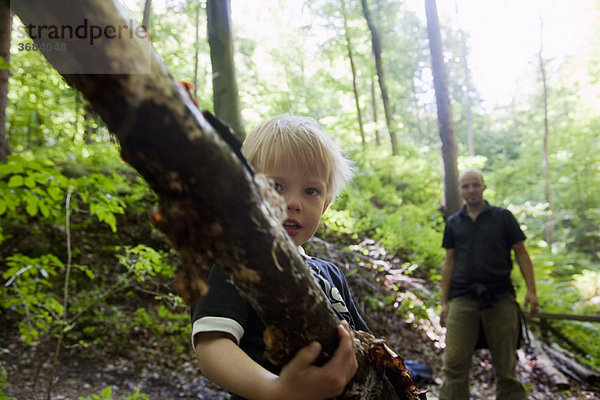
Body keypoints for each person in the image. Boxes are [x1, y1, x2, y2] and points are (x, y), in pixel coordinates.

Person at [190, 115, 369, 400]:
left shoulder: (331, 274)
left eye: (311, 191)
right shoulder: (239, 264)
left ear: (325, 205)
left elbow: (365, 349)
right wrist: (278, 390)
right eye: (276, 186)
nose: (293, 203)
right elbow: (212, 348)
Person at [439, 168, 539, 400]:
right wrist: (444, 302)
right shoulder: (454, 222)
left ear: (484, 186)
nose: (471, 189)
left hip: (500, 298)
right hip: (462, 299)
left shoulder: (503, 217)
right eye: (466, 186)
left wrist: (531, 291)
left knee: (506, 367)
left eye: (475, 185)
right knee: (454, 365)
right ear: (460, 190)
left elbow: (522, 254)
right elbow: (449, 262)